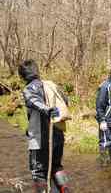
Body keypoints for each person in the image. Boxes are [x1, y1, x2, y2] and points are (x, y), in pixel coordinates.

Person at [18, 60, 70, 193]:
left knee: (38, 172)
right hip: (57, 134)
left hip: (40, 139)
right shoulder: (51, 85)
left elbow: (34, 101)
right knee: (56, 167)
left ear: (22, 76)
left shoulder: (29, 88)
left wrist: (47, 110)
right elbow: (65, 101)